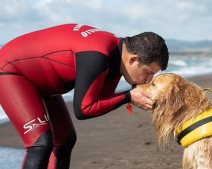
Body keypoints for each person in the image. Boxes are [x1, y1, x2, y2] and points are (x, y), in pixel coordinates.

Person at [0, 23, 169, 169]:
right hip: (10, 70)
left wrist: (133, 96)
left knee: (65, 140)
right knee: (41, 143)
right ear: (133, 59)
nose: (149, 79)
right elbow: (84, 109)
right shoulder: (98, 56)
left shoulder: (117, 56)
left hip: (43, 80)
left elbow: (102, 100)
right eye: (148, 72)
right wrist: (128, 97)